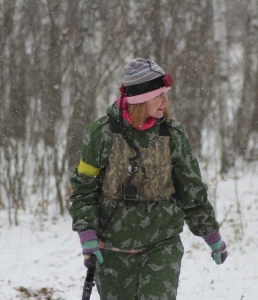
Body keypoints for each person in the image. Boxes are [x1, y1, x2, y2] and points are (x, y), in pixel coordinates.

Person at [69, 58, 228, 300]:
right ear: (140, 99)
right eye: (159, 95)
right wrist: (87, 232)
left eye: (166, 94)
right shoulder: (100, 134)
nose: (166, 101)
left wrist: (211, 235)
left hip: (161, 245)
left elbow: (191, 190)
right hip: (112, 249)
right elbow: (83, 190)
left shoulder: (172, 135)